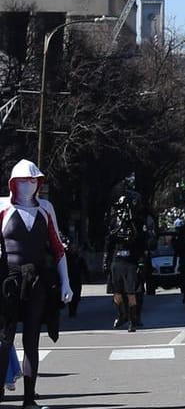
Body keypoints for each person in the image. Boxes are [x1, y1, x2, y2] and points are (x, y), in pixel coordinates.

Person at [1, 161, 74, 409]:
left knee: (31, 340)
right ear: (13, 183)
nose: (28, 184)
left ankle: (29, 398)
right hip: (7, 281)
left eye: (33, 180)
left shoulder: (45, 208)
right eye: (23, 180)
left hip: (36, 281)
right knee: (4, 339)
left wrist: (66, 283)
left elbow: (58, 249)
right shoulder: (3, 207)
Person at [104, 179, 147, 333]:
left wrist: (141, 261)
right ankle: (122, 314)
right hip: (117, 259)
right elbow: (109, 241)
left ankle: (133, 320)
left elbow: (142, 242)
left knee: (132, 292)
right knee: (116, 292)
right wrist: (106, 260)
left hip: (131, 260)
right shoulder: (114, 221)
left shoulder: (137, 223)